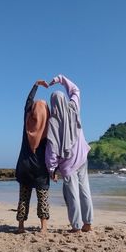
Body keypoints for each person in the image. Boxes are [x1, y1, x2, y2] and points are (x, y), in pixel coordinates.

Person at [45, 74, 93, 233]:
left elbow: (52, 147)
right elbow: (75, 90)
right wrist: (60, 79)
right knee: (85, 191)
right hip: (82, 159)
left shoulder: (53, 121)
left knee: (72, 195)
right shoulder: (73, 108)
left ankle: (76, 227)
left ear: (53, 104)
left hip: (68, 164)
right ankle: (88, 223)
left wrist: (51, 169)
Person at [15, 79, 51, 234]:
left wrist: (35, 86)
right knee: (42, 197)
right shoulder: (48, 130)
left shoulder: (27, 125)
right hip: (41, 169)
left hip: (24, 166)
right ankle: (43, 227)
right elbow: (52, 153)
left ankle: (21, 226)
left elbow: (28, 103)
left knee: (24, 197)